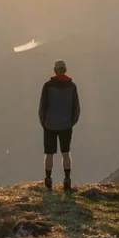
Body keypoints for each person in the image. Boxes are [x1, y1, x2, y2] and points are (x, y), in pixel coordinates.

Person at [38, 59, 80, 192]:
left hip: (50, 124)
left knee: (49, 153)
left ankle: (48, 180)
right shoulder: (72, 86)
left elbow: (42, 107)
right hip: (66, 125)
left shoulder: (48, 86)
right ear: (65, 70)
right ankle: (67, 180)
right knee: (66, 152)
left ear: (55, 71)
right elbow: (76, 108)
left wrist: (44, 122)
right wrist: (71, 122)